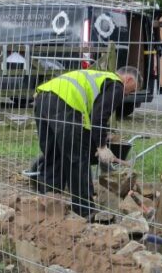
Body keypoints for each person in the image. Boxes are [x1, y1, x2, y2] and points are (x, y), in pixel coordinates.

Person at [31, 66, 140, 217]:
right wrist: (102, 146)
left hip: (42, 98)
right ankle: (85, 211)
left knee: (53, 155)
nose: (128, 94)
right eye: (131, 90)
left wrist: (100, 135)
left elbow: (92, 113)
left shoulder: (99, 77)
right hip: (64, 102)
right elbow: (99, 116)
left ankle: (48, 204)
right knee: (77, 159)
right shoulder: (116, 85)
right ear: (128, 79)